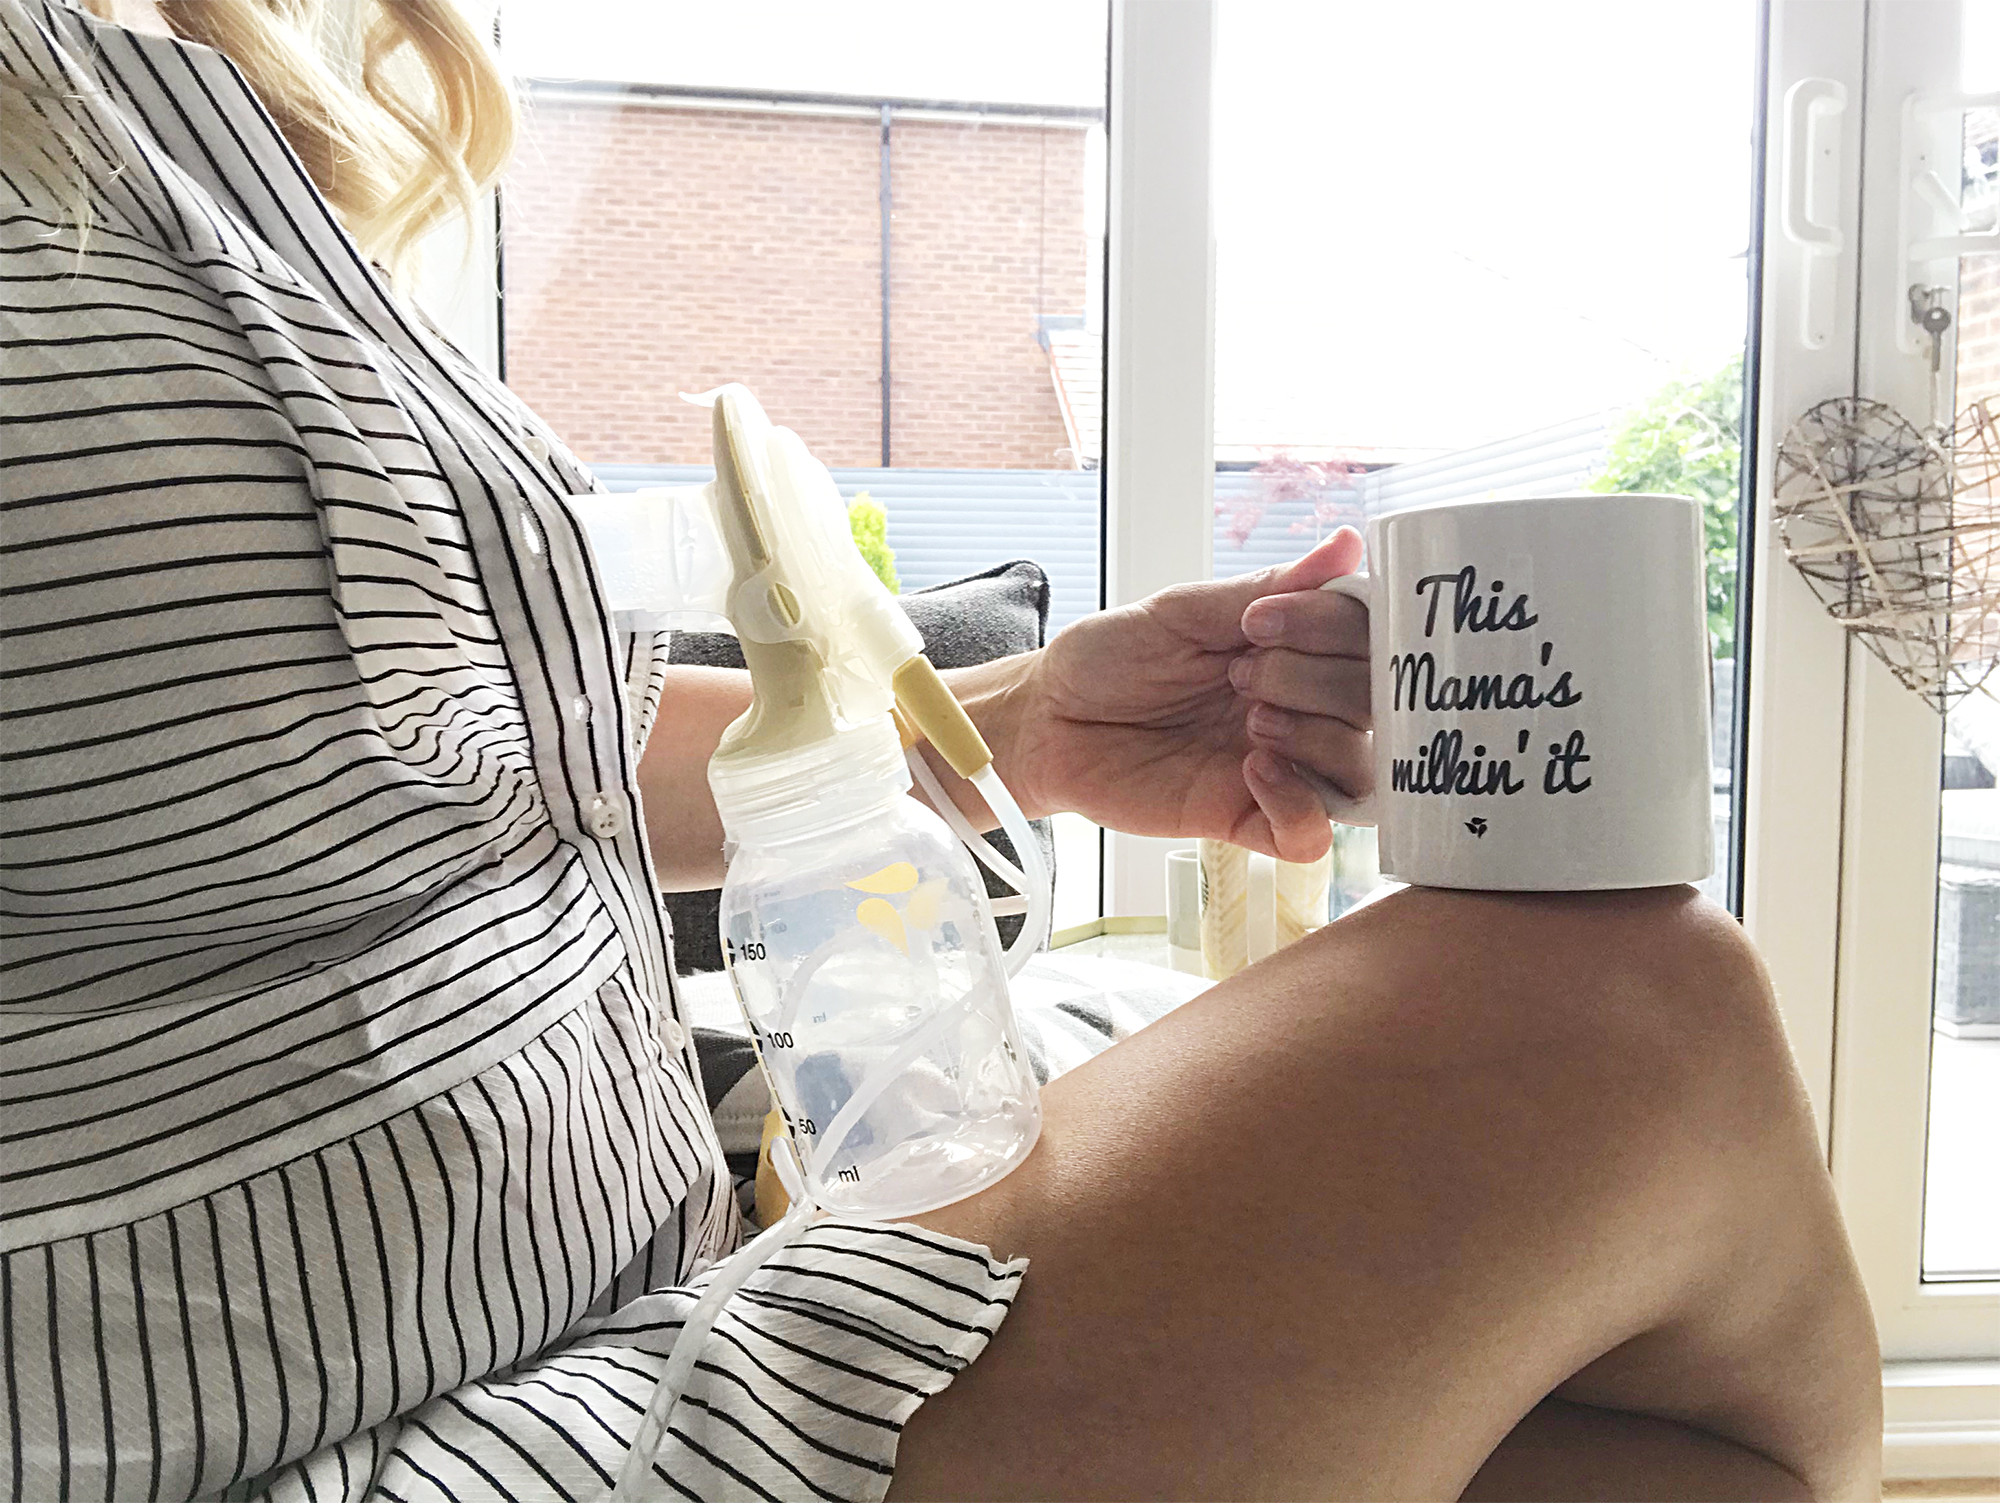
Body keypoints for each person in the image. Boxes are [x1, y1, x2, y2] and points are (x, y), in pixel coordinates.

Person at [0, 1, 1881, 1499]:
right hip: (319, 1433)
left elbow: (447, 754)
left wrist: (1020, 727)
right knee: (1631, 1019)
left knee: (1625, 1443)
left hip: (620, 1303)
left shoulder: (148, 95)